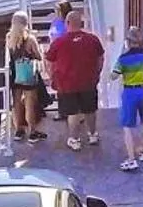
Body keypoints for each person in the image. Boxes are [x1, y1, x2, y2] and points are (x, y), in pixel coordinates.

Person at [44, 9, 105, 151]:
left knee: (73, 112)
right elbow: (100, 58)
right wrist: (97, 72)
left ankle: (74, 139)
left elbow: (49, 61)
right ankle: (93, 135)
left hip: (67, 83)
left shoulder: (59, 42)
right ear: (81, 23)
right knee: (90, 110)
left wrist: (52, 76)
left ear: (67, 23)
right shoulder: (93, 39)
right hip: (88, 81)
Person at [113, 26, 143, 172]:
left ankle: (131, 158)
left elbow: (113, 76)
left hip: (129, 93)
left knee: (127, 126)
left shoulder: (123, 59)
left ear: (127, 41)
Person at [5, 11, 46, 143]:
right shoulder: (30, 39)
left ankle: (18, 130)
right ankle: (32, 132)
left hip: (15, 74)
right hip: (28, 74)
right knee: (30, 104)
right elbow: (38, 57)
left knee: (16, 103)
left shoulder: (9, 37)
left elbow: (10, 56)